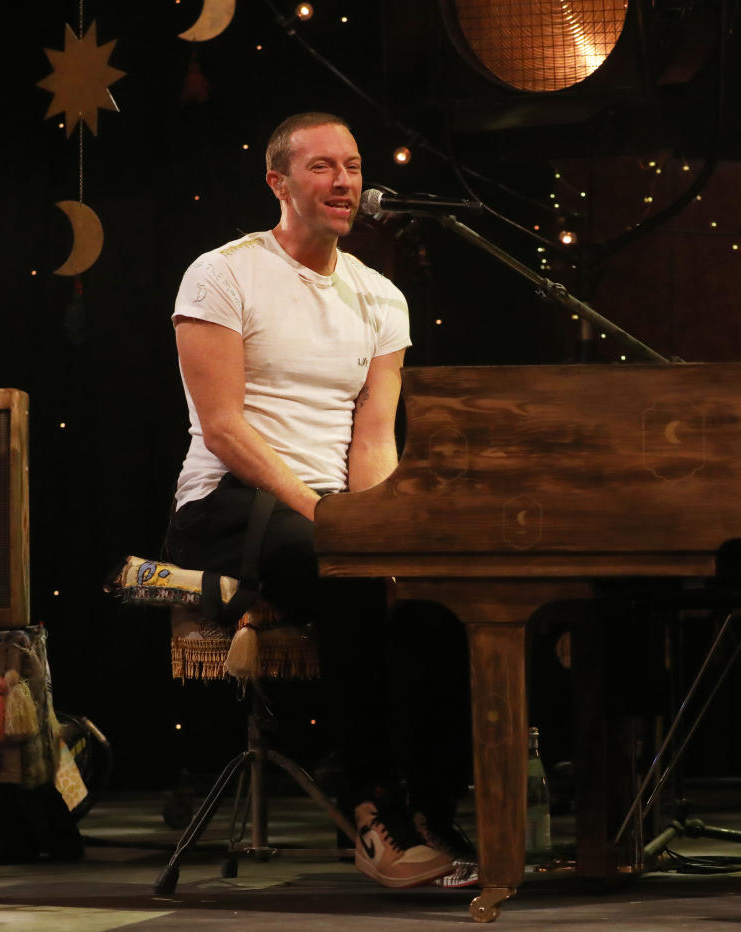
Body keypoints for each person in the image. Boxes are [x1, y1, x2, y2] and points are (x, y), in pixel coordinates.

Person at [165, 112, 475, 889]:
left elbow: (374, 439)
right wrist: (327, 518)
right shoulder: (223, 273)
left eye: (353, 166)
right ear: (278, 182)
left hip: (329, 510)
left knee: (442, 601)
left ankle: (435, 807)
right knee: (350, 579)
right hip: (229, 506)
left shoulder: (381, 298)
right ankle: (370, 807)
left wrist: (379, 528)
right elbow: (225, 426)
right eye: (321, 167)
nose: (344, 182)